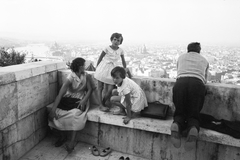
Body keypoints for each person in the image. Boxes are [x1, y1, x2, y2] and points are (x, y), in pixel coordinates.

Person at [48, 57, 93, 153]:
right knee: (56, 114)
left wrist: (84, 100)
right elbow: (60, 94)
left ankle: (71, 143)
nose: (85, 67)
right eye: (84, 65)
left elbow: (90, 89)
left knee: (75, 115)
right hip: (68, 100)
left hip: (80, 100)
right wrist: (53, 110)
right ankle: (62, 137)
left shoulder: (86, 76)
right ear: (80, 67)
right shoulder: (70, 77)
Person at [171, 42, 209, 151]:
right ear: (199, 50)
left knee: (180, 111)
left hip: (180, 84)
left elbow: (179, 72)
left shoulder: (181, 58)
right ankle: (193, 127)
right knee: (194, 114)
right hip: (197, 84)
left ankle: (177, 124)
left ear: (188, 49)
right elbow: (205, 80)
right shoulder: (204, 60)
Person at [94, 33, 127, 112]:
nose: (116, 41)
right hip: (103, 68)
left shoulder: (121, 50)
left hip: (112, 70)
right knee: (100, 88)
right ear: (111, 40)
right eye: (114, 39)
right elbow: (100, 58)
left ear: (120, 42)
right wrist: (97, 68)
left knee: (110, 89)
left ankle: (103, 102)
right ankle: (101, 105)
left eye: (118, 40)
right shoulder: (106, 48)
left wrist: (125, 70)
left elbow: (123, 61)